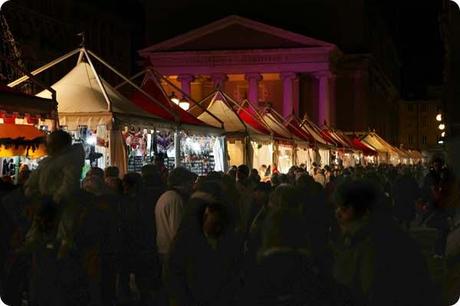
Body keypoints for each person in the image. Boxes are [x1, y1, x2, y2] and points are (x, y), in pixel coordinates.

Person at [333, 179, 437, 306]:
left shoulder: (375, 247)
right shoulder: (361, 238)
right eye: (337, 208)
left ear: (365, 212)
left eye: (344, 209)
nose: (338, 214)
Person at [24, 130, 85, 204]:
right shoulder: (48, 161)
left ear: (58, 144)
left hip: (58, 208)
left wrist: (54, 200)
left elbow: (69, 184)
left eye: (49, 143)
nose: (46, 146)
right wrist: (30, 188)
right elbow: (34, 178)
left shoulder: (69, 161)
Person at [155, 167, 196, 273]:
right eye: (191, 182)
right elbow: (177, 229)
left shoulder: (166, 196)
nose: (192, 186)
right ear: (184, 182)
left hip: (164, 248)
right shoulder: (175, 199)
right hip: (171, 251)